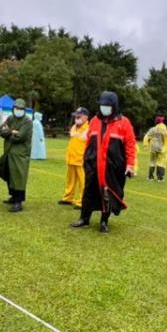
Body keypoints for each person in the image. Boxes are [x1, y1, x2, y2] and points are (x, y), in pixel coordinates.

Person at [70, 91, 137, 233]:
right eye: (102, 105)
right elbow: (89, 140)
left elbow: (130, 145)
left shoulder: (124, 123)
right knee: (88, 191)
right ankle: (84, 218)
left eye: (107, 106)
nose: (104, 108)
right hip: (93, 164)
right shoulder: (94, 121)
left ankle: (104, 221)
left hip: (112, 166)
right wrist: (86, 159)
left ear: (114, 106)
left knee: (108, 193)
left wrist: (130, 165)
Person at [0, 98, 32, 212]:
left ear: (24, 109)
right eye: (16, 108)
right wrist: (12, 131)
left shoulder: (27, 121)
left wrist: (9, 132)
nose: (18, 110)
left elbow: (19, 137)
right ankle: (13, 197)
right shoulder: (10, 118)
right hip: (8, 152)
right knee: (10, 175)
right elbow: (1, 130)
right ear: (13, 108)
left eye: (21, 108)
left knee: (19, 177)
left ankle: (19, 201)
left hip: (20, 154)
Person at [59, 108, 89, 208]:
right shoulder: (74, 127)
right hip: (71, 158)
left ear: (85, 117)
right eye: (76, 116)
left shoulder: (89, 129)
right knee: (70, 181)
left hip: (81, 160)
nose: (76, 118)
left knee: (83, 182)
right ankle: (68, 198)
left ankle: (82, 201)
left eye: (79, 116)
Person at [143, 116, 167, 181]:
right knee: (161, 162)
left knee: (152, 162)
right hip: (162, 148)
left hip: (153, 147)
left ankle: (150, 177)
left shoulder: (153, 129)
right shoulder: (164, 129)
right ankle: (160, 178)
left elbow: (146, 137)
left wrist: (145, 145)